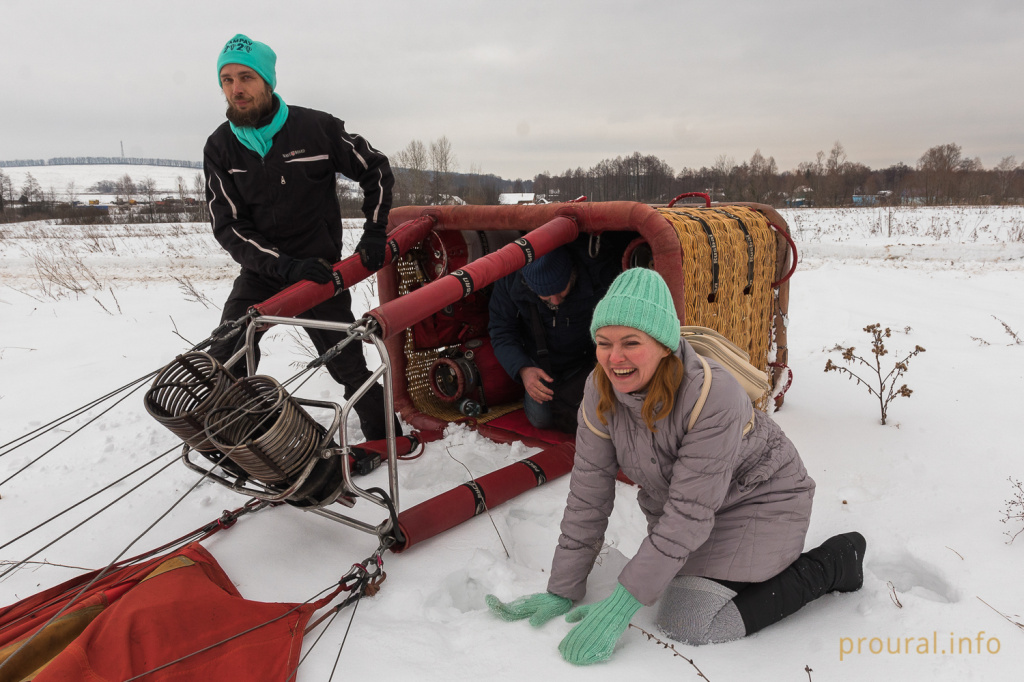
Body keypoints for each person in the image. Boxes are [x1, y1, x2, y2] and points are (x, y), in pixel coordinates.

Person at [486, 268, 865, 665]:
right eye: (604, 343)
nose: (615, 358)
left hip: (762, 502)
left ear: (665, 345)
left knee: (688, 622)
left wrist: (620, 606)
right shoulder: (599, 390)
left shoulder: (712, 395)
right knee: (673, 590)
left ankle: (835, 562)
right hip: (696, 510)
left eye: (631, 342)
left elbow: (688, 512)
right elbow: (588, 494)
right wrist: (562, 588)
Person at [204, 34, 399, 441]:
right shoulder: (220, 147)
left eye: (245, 77)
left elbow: (376, 170)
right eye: (226, 80)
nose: (235, 89)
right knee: (226, 356)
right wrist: (280, 265)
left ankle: (389, 441)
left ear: (267, 81)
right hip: (262, 273)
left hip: (318, 273)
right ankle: (248, 442)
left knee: (348, 366)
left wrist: (375, 231)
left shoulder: (316, 128)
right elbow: (228, 225)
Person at [488, 243, 619, 433]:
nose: (555, 301)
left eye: (561, 291)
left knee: (605, 416)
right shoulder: (509, 282)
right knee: (540, 419)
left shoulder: (599, 276)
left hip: (589, 363)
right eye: (546, 296)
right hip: (540, 367)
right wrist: (523, 369)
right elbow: (501, 331)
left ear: (572, 272)